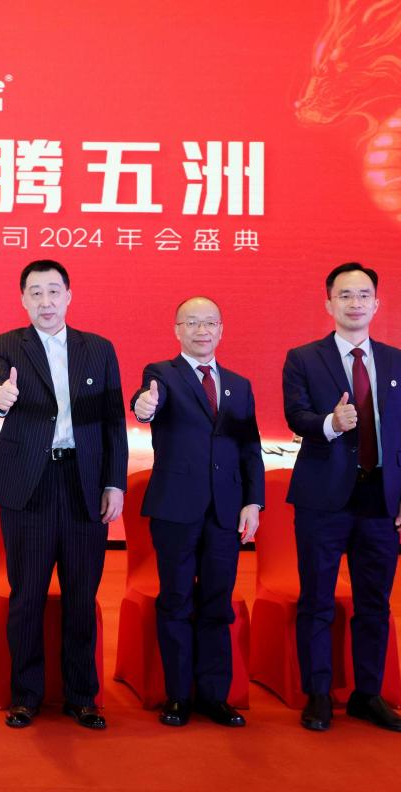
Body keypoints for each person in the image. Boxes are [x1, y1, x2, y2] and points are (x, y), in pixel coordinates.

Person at [0, 258, 127, 730]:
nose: (46, 301)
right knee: (27, 595)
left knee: (82, 595)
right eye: (36, 292)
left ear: (68, 296)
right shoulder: (8, 345)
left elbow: (113, 422)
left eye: (54, 291)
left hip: (84, 483)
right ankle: (26, 696)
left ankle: (82, 696)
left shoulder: (98, 349)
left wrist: (114, 482)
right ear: (23, 299)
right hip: (31, 484)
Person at [283, 262, 401, 733]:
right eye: (344, 295)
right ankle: (318, 694)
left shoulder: (399, 361)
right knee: (317, 599)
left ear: (376, 304)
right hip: (323, 499)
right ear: (329, 304)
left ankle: (368, 695)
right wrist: (330, 423)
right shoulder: (303, 358)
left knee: (375, 602)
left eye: (363, 295)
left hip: (381, 499)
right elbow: (296, 415)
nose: (355, 302)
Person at [131, 296, 264, 728]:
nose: (201, 330)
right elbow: (146, 403)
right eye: (192, 323)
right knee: (176, 600)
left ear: (221, 330)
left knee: (217, 602)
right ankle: (177, 696)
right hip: (177, 508)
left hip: (226, 511)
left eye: (209, 323)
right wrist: (143, 406)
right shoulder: (162, 374)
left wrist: (253, 502)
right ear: (177, 330)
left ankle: (213, 696)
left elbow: (249, 448)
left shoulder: (239, 385)